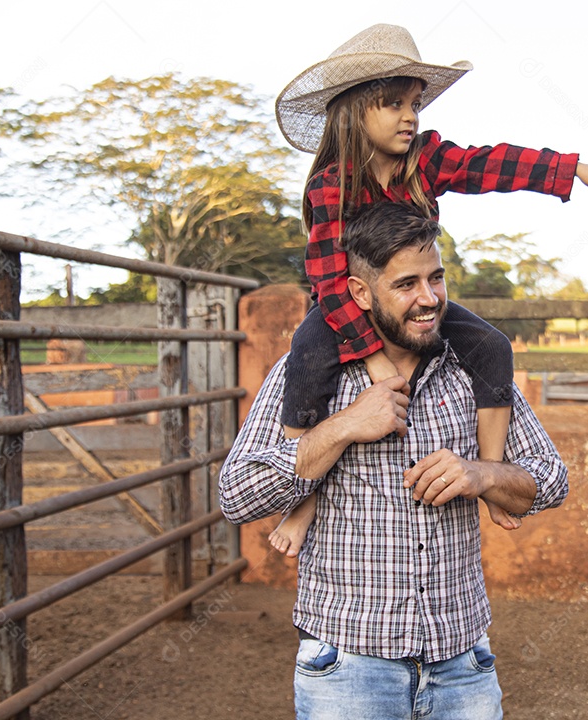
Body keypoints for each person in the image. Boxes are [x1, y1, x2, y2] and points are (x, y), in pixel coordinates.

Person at [268, 22, 588, 558]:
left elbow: (490, 164)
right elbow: (325, 275)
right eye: (393, 104)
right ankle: (301, 494)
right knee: (309, 353)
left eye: (415, 104)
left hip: (411, 302)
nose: (410, 116)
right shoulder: (330, 185)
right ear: (353, 112)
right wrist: (374, 361)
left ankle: (493, 470)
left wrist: (571, 169)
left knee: (491, 346)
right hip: (348, 305)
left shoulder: (426, 159)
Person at [218, 200, 569, 718]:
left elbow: (552, 481)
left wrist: (481, 474)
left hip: (463, 666)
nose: (428, 299)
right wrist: (342, 427)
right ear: (359, 292)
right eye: (406, 284)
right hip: (346, 670)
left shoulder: (470, 368)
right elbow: (236, 493)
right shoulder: (310, 370)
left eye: (436, 278)